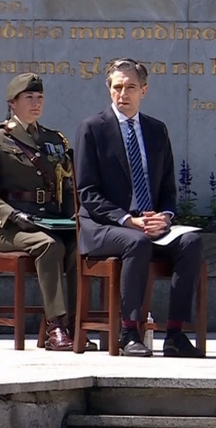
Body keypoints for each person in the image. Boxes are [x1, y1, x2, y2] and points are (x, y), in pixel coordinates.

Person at [74, 58, 204, 358]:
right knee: (137, 242)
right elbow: (88, 193)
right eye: (117, 87)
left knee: (192, 241)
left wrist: (165, 217)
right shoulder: (93, 129)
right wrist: (128, 220)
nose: (123, 93)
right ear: (109, 90)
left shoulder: (157, 131)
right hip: (104, 227)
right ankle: (130, 332)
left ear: (143, 90)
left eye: (130, 87)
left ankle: (174, 333)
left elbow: (169, 189)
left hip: (149, 226)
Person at [0, 73, 90, 352]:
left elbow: (64, 184)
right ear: (13, 103)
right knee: (48, 246)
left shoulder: (54, 139)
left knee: (77, 248)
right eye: (29, 98)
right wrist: (12, 216)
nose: (36, 103)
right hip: (11, 228)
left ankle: (76, 323)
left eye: (40, 98)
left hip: (51, 220)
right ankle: (56, 326)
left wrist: (71, 217)